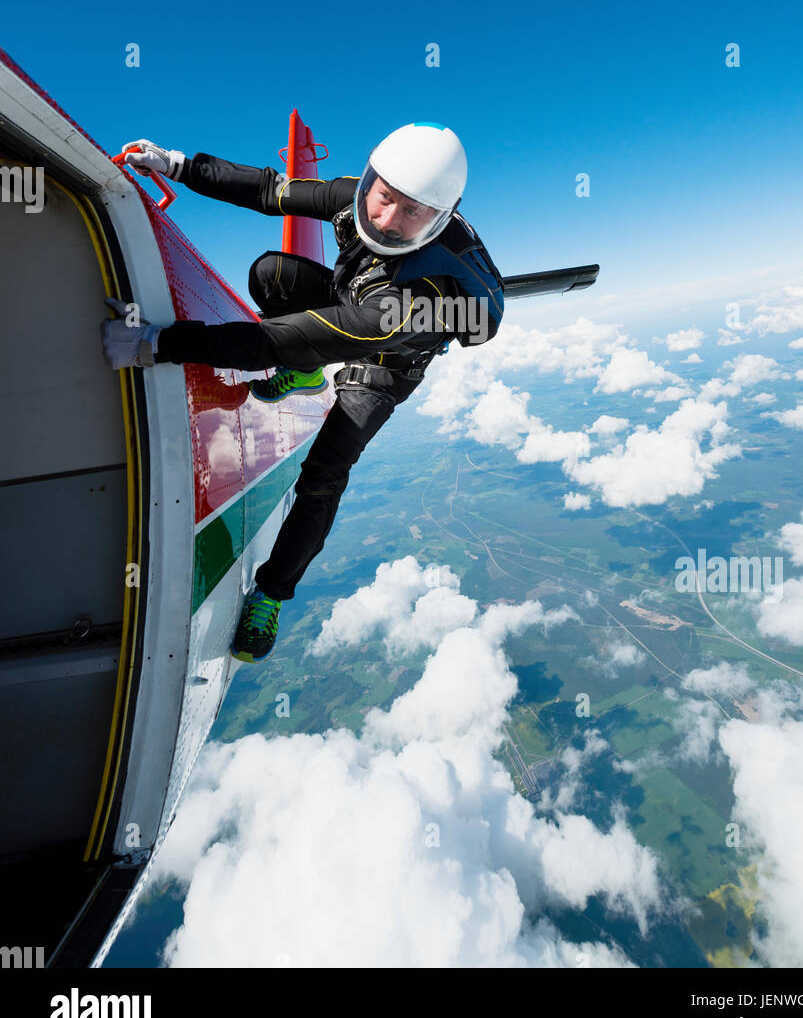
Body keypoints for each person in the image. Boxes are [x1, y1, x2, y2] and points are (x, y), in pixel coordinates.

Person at [101, 123, 504, 662]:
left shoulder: (413, 300)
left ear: (441, 219)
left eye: (413, 213)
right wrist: (177, 164)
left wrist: (158, 341)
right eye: (383, 198)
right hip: (351, 300)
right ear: (370, 182)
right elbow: (272, 190)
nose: (386, 220)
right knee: (272, 273)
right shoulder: (354, 197)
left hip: (386, 361)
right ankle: (310, 376)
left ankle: (272, 592)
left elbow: (279, 340)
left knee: (322, 477)